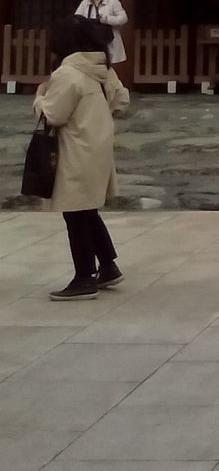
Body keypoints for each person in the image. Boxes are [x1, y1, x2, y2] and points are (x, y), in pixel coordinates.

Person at [34, 15, 130, 300]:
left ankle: (84, 277)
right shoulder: (101, 67)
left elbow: (53, 114)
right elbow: (121, 100)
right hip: (97, 146)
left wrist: (40, 96)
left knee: (75, 213)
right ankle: (108, 266)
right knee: (87, 209)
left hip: (75, 150)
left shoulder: (67, 73)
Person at [75, 0, 128, 66]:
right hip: (90, 42)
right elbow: (76, 20)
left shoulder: (112, 1)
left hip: (108, 40)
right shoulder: (85, 3)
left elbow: (123, 18)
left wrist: (108, 19)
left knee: (108, 68)